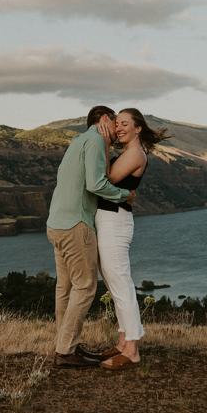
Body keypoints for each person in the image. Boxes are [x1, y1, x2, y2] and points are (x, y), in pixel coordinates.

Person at [47, 105, 135, 368]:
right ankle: (65, 351)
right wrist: (124, 196)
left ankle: (64, 344)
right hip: (77, 225)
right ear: (104, 119)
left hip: (56, 224)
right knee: (85, 286)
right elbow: (95, 184)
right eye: (115, 122)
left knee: (65, 288)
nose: (117, 129)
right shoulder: (95, 140)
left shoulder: (78, 141)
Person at [94, 108, 169, 370]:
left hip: (115, 221)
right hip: (109, 219)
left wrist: (104, 143)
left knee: (121, 285)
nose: (119, 127)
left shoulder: (136, 153)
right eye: (117, 123)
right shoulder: (129, 152)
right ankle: (122, 342)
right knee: (114, 285)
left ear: (138, 128)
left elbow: (106, 178)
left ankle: (132, 350)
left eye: (125, 123)